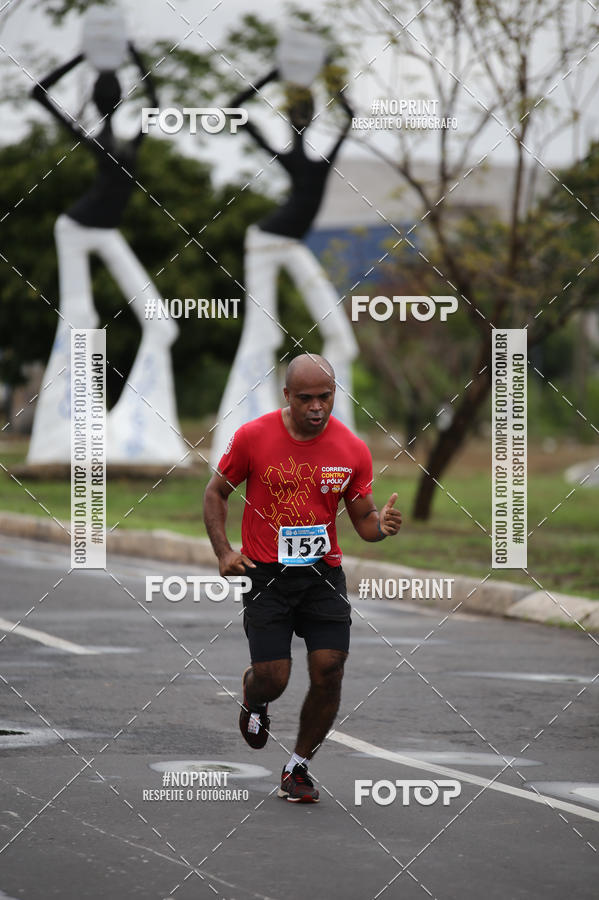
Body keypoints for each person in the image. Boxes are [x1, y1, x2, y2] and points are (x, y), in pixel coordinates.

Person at [203, 353, 402, 803]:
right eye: (306, 398)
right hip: (265, 575)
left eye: (325, 397)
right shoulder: (254, 437)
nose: (316, 406)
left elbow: (364, 520)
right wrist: (224, 552)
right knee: (274, 678)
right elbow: (216, 492)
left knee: (330, 669)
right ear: (287, 396)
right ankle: (255, 696)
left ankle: (298, 767)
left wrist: (382, 527)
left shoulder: (352, 449)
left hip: (322, 575)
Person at [27, 44, 186, 464]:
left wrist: (131, 53)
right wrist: (82, 56)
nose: (111, 97)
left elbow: (156, 103)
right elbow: (38, 93)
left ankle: (140, 432)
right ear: (102, 100)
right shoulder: (96, 139)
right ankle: (69, 434)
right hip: (75, 229)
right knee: (80, 321)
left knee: (162, 324)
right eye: (108, 92)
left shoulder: (131, 139)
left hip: (105, 231)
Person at [209, 69, 359, 466]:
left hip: (290, 245)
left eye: (306, 112)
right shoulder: (290, 156)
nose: (302, 119)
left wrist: (330, 81)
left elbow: (350, 118)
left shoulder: (319, 159)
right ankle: (240, 440)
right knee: (261, 337)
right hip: (262, 243)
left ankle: (336, 441)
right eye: (297, 113)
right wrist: (274, 74)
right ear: (292, 118)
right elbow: (235, 110)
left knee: (342, 339)